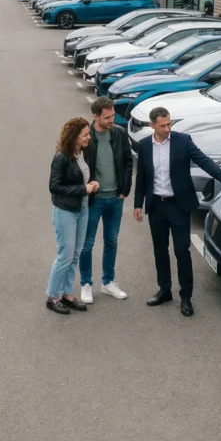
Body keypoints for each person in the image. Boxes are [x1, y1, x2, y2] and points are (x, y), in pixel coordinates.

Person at [133, 106, 221, 317]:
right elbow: (142, 177)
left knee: (182, 251)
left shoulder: (183, 141)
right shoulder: (145, 145)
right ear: (152, 125)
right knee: (160, 250)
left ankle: (186, 296)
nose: (167, 128)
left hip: (178, 205)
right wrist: (138, 204)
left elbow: (204, 161)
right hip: (156, 205)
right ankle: (164, 290)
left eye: (169, 124)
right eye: (162, 125)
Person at [78, 97, 134, 304]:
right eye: (107, 117)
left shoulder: (119, 133)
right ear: (95, 117)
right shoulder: (86, 137)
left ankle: (108, 282)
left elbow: (128, 162)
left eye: (113, 116)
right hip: (93, 201)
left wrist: (124, 191)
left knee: (111, 241)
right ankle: (86, 284)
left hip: (115, 199)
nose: (113, 120)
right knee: (87, 244)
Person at [47, 117, 98, 315]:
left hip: (82, 208)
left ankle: (68, 294)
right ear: (74, 136)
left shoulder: (82, 153)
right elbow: (54, 186)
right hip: (65, 211)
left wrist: (91, 184)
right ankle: (53, 296)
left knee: (76, 253)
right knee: (65, 255)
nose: (88, 137)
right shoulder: (61, 157)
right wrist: (83, 188)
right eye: (85, 134)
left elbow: (81, 177)